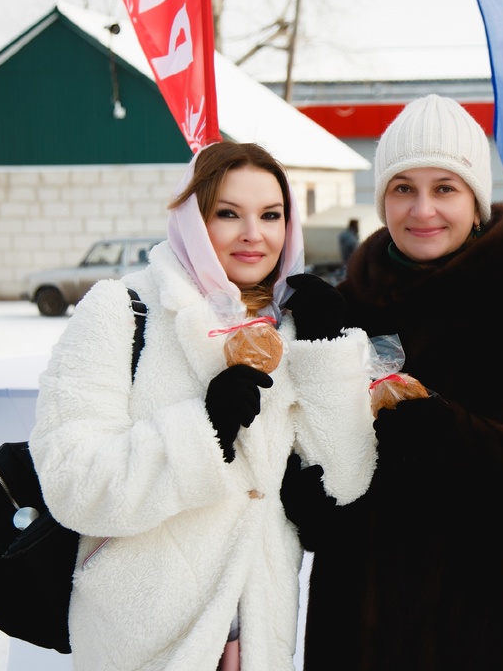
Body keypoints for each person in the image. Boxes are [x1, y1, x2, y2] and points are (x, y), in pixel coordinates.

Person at [280, 94, 503, 671]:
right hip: (365, 634)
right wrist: (305, 489)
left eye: (445, 188)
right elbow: (307, 471)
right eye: (402, 188)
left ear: (476, 200)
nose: (423, 210)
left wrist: (454, 434)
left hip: (499, 630)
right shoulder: (345, 310)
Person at [29, 141, 376, 671]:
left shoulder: (290, 328)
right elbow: (70, 480)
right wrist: (203, 430)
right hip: (144, 636)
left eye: (271, 215)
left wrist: (326, 354)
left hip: (258, 633)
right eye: (228, 214)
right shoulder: (123, 310)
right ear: (193, 219)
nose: (253, 235)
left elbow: (345, 480)